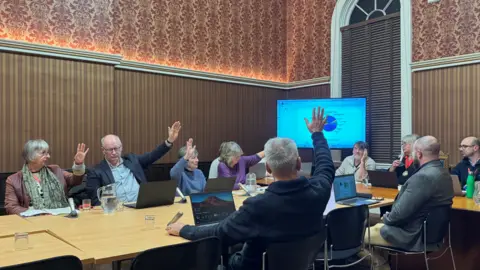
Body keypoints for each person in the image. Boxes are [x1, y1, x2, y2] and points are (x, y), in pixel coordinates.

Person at [166, 107, 335, 270]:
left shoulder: (258, 206)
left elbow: (220, 233)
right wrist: (317, 134)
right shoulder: (318, 191)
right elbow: (326, 166)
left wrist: (184, 229)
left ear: (268, 168)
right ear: (298, 163)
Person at [365, 136, 454, 270]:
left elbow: (399, 214)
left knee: (358, 236)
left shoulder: (423, 177)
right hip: (432, 235)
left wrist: (386, 218)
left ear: (419, 153)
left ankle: (382, 267)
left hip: (412, 236)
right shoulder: (444, 173)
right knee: (376, 227)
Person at [86, 121, 181, 205]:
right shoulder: (96, 171)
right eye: (110, 150)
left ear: (121, 147)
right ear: (103, 150)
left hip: (140, 207)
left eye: (116, 148)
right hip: (116, 213)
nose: (114, 152)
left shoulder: (132, 160)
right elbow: (96, 202)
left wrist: (169, 141)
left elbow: (152, 156)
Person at [4, 140, 89, 215]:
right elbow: (11, 207)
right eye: (43, 153)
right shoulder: (13, 180)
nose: (48, 156)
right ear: (31, 156)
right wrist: (37, 213)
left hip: (61, 217)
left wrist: (78, 164)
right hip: (31, 220)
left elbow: (75, 180)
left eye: (47, 153)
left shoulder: (55, 170)